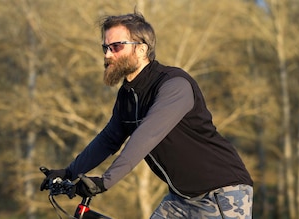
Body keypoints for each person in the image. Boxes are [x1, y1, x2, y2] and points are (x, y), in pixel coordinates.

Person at [41, 11, 253, 219]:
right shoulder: (127, 95)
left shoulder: (174, 85)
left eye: (116, 47)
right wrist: (68, 173)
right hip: (181, 198)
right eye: (105, 47)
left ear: (141, 49)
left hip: (222, 192)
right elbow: (108, 140)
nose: (107, 55)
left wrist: (105, 181)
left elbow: (146, 137)